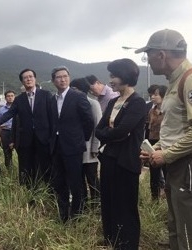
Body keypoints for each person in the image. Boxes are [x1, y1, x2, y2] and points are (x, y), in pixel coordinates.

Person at [137, 29, 192, 250]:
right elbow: (175, 128)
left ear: (161, 54)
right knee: (175, 221)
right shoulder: (174, 80)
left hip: (187, 165)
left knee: (188, 225)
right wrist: (157, 147)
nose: (147, 61)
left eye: (148, 54)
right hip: (176, 164)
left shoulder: (190, 79)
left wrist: (167, 154)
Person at [95, 58, 146, 249]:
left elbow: (122, 131)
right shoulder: (114, 101)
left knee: (125, 204)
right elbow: (98, 129)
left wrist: (109, 134)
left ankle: (128, 244)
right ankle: (111, 238)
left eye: (114, 75)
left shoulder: (138, 102)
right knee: (108, 201)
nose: (110, 80)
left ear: (125, 76)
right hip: (108, 158)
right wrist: (111, 135)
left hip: (126, 161)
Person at [0, 68, 53, 187]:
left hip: (43, 138)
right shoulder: (19, 99)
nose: (28, 79)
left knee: (45, 166)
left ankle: (48, 191)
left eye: (30, 76)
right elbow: (10, 113)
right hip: (26, 139)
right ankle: (29, 192)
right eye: (25, 78)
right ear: (22, 81)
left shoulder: (46, 95)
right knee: (26, 166)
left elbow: (53, 115)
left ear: (35, 79)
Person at [49, 67, 94, 221]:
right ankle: (63, 215)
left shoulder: (78, 96)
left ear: (69, 77)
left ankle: (77, 215)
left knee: (76, 183)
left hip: (73, 147)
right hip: (56, 146)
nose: (62, 79)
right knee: (59, 182)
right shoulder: (52, 99)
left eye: (65, 76)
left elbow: (89, 120)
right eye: (58, 77)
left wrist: (81, 139)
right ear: (53, 80)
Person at [70, 77, 102, 205]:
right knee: (79, 180)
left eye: (74, 89)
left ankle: (96, 204)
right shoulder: (72, 104)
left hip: (89, 151)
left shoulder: (93, 103)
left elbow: (97, 127)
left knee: (92, 179)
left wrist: (95, 148)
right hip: (76, 150)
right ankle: (83, 204)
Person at [147, 84, 167, 200]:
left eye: (155, 95)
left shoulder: (168, 111)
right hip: (153, 143)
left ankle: (168, 196)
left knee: (167, 171)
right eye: (151, 95)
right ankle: (155, 198)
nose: (152, 97)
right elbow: (149, 128)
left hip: (165, 143)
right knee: (153, 173)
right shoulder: (151, 111)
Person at [0, 90, 16, 168]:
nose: (10, 97)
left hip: (16, 132)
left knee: (21, 151)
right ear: (5, 98)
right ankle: (9, 170)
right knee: (7, 152)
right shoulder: (1, 110)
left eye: (12, 96)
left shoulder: (18, 108)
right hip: (5, 132)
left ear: (14, 97)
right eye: (8, 96)